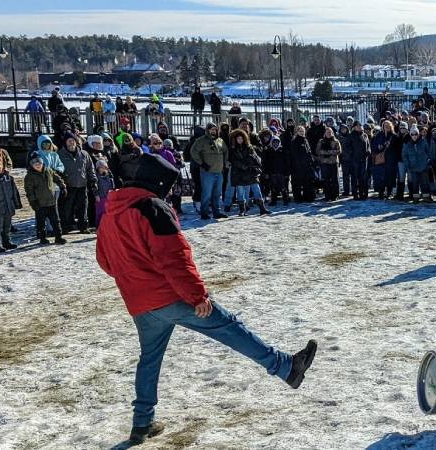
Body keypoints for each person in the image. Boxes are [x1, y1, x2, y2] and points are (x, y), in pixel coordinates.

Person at [94, 153, 318, 445]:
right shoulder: (152, 208)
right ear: (158, 181)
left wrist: (134, 278)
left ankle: (142, 423)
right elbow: (175, 259)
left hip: (139, 302)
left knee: (149, 360)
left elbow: (105, 261)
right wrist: (197, 295)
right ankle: (286, 368)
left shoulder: (113, 210)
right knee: (229, 327)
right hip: (171, 296)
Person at [25, 154, 67, 246]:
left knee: (56, 221)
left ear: (42, 163)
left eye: (39, 163)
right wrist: (33, 202)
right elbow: (29, 191)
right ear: (32, 165)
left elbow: (57, 178)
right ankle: (42, 238)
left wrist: (62, 186)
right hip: (40, 203)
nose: (38, 165)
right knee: (41, 222)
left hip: (52, 201)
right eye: (35, 164)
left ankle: (58, 237)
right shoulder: (29, 176)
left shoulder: (48, 170)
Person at [227, 129, 271, 215]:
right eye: (238, 138)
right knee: (240, 192)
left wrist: (248, 163)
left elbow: (255, 158)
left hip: (250, 172)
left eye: (241, 138)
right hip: (239, 173)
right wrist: (243, 165)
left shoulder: (249, 147)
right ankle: (242, 210)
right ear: (235, 139)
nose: (240, 140)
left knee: (257, 190)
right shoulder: (232, 149)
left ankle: (262, 208)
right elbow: (233, 160)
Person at [191, 123, 229, 220]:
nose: (213, 131)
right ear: (207, 130)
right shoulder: (201, 140)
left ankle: (216, 212)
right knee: (206, 194)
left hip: (219, 171)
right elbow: (193, 152)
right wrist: (201, 163)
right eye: (211, 129)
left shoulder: (220, 140)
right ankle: (204, 213)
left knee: (217, 194)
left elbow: (226, 151)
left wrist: (224, 163)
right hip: (207, 172)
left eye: (215, 129)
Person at [60, 136, 97, 234]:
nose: (71, 143)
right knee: (68, 207)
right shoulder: (60, 154)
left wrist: (93, 180)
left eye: (73, 141)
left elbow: (90, 168)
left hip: (82, 184)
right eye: (69, 141)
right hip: (68, 185)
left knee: (83, 206)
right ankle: (66, 226)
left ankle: (83, 226)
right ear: (65, 143)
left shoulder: (84, 154)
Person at [402, 126, 432, 203]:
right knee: (415, 183)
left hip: (423, 166)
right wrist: (408, 165)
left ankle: (426, 197)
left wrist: (428, 161)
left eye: (416, 134)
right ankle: (416, 198)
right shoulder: (407, 144)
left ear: (418, 134)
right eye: (412, 134)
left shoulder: (423, 141)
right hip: (413, 167)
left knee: (425, 182)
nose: (414, 136)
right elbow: (404, 155)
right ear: (410, 134)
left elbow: (428, 152)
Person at [288, 125, 318, 202]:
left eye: (303, 131)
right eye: (300, 131)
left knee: (307, 182)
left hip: (307, 165)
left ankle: (307, 197)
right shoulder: (294, 141)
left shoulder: (305, 140)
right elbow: (295, 155)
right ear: (297, 132)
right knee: (297, 183)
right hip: (298, 166)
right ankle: (298, 198)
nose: (302, 132)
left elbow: (309, 152)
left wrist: (311, 162)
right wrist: (299, 165)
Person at [315, 126, 342, 201]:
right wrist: (327, 152)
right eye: (327, 132)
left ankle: (335, 195)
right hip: (324, 163)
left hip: (333, 163)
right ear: (325, 133)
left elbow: (339, 151)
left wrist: (329, 152)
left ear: (332, 133)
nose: (328, 134)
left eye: (330, 132)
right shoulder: (321, 141)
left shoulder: (336, 141)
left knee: (334, 179)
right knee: (326, 180)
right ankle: (327, 195)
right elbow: (317, 151)